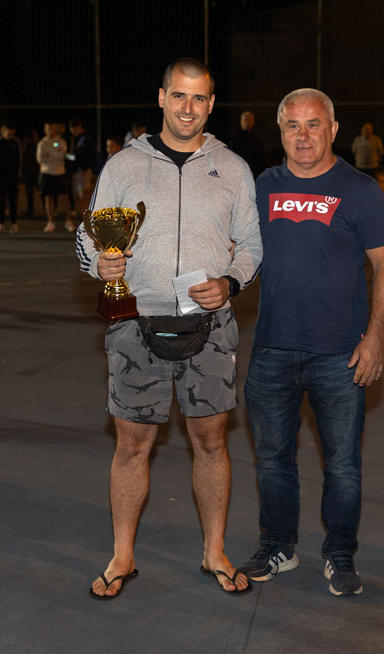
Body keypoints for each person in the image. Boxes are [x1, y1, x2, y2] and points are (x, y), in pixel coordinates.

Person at [75, 57, 262, 598]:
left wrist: (230, 281)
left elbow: (252, 244)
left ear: (211, 104)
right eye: (179, 95)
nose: (188, 107)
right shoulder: (122, 165)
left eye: (199, 98)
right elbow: (87, 236)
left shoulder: (233, 168)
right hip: (135, 323)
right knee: (132, 446)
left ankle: (214, 551)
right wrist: (99, 264)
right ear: (161, 97)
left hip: (210, 326)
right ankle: (123, 555)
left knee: (212, 442)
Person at [237, 87, 384, 596]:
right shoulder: (262, 186)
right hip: (272, 349)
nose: (302, 135)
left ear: (333, 130)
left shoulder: (361, 190)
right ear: (280, 131)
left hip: (340, 354)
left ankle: (340, 552)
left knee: (343, 466)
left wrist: (375, 337)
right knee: (272, 460)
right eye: (292, 125)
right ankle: (278, 545)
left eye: (313, 124)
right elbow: (234, 248)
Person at [36, 122, 73, 232]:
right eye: (49, 129)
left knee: (65, 198)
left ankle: (68, 221)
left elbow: (62, 155)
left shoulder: (61, 141)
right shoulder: (42, 143)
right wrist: (53, 155)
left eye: (53, 129)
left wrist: (50, 155)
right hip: (46, 173)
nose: (51, 131)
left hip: (60, 173)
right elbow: (40, 159)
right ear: (45, 130)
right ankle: (51, 222)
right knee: (49, 199)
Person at [0, 123, 22, 234]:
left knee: (13, 201)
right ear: (2, 131)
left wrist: (18, 175)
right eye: (8, 133)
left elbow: (20, 159)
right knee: (1, 200)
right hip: (1, 177)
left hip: (13, 176)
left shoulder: (16, 142)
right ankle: (1, 224)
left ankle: (14, 223)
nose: (10, 135)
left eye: (12, 133)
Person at [68, 119, 98, 219]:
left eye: (74, 129)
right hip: (79, 170)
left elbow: (83, 156)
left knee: (83, 195)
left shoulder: (85, 139)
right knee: (78, 194)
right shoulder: (78, 138)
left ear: (79, 127)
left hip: (83, 170)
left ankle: (85, 218)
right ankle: (81, 215)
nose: (73, 132)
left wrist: (67, 156)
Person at [229, 111, 265, 178]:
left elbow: (260, 160)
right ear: (241, 122)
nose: (247, 122)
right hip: (238, 172)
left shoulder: (257, 139)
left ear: (253, 122)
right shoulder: (235, 139)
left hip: (253, 173)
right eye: (245, 120)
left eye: (249, 120)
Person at [20, 128, 40, 217]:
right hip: (28, 173)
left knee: (40, 192)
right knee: (29, 193)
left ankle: (45, 208)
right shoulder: (25, 147)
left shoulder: (36, 146)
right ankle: (30, 209)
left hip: (36, 172)